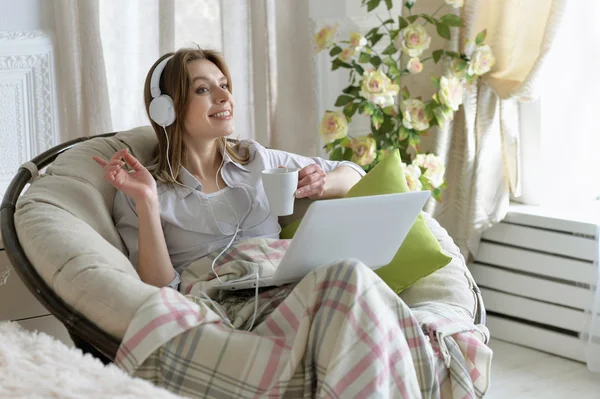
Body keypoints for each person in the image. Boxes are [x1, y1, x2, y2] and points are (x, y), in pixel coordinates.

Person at [93, 47, 365, 290]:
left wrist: (322, 183)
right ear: (167, 109)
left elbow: (354, 173)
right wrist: (147, 202)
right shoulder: (142, 190)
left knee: (353, 275)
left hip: (287, 289)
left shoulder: (257, 160)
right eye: (203, 89)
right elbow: (159, 290)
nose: (225, 96)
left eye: (224, 85)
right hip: (219, 310)